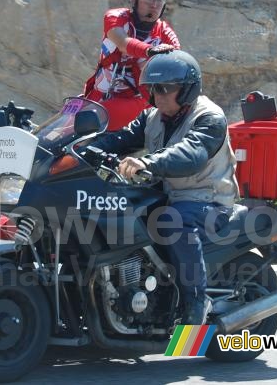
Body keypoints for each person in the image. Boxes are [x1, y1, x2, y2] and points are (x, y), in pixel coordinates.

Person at [88, 50, 239, 325]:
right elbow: (118, 139)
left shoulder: (209, 117)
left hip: (207, 201)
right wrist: (80, 149)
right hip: (169, 195)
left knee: (173, 221)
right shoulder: (152, 117)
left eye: (166, 88)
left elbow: (191, 153)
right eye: (153, 88)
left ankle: (196, 302)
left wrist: (147, 163)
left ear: (187, 89)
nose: (158, 95)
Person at [83, 0, 181, 131]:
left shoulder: (165, 31)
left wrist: (167, 57)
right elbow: (122, 42)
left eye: (160, 0)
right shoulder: (116, 16)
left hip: (136, 103)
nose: (154, 5)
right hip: (99, 96)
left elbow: (177, 59)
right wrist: (150, 51)